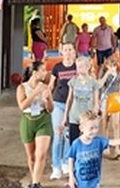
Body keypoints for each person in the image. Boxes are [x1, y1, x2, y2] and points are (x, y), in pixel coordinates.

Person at [66, 110, 120, 188]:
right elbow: (71, 159)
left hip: (95, 182)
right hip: (79, 183)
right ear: (81, 128)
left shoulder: (99, 140)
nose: (94, 131)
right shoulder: (76, 144)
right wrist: (71, 177)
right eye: (91, 128)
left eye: (96, 128)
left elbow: (111, 142)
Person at [17, 61, 54, 188]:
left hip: (43, 120)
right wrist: (35, 92)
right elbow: (22, 106)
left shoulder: (45, 87)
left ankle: (35, 183)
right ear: (35, 73)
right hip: (27, 121)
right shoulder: (22, 88)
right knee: (32, 157)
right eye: (43, 70)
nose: (46, 73)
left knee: (41, 154)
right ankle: (34, 180)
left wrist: (47, 99)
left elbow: (51, 109)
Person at [50, 42, 78, 180]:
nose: (67, 52)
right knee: (58, 134)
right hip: (58, 103)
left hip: (73, 105)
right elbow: (51, 85)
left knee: (68, 135)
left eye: (70, 49)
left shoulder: (77, 67)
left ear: (74, 52)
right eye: (65, 50)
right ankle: (55, 166)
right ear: (61, 52)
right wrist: (47, 100)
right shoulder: (57, 67)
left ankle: (66, 162)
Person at [64, 56, 99, 146]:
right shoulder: (73, 81)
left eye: (82, 66)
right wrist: (65, 116)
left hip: (87, 117)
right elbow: (69, 99)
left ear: (87, 67)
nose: (80, 69)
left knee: (88, 142)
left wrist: (95, 114)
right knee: (73, 143)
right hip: (74, 116)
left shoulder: (93, 83)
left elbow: (96, 102)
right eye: (78, 67)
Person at [98, 55, 120, 159]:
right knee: (105, 122)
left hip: (115, 99)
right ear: (106, 65)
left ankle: (117, 147)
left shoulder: (119, 74)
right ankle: (106, 146)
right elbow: (100, 85)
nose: (112, 67)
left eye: (114, 64)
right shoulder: (103, 72)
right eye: (110, 65)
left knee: (116, 124)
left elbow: (119, 86)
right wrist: (107, 74)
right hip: (106, 98)